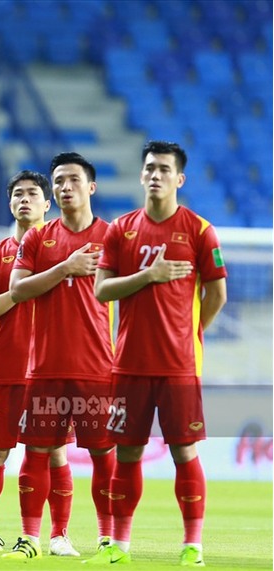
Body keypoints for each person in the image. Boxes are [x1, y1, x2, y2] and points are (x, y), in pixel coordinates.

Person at [87, 141, 227, 566]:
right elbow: (101, 290)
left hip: (179, 367)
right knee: (126, 453)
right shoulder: (120, 229)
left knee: (185, 451)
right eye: (149, 168)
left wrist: (191, 333)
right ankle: (120, 547)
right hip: (128, 364)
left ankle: (192, 547)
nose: (155, 175)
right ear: (141, 174)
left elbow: (217, 293)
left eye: (164, 169)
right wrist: (150, 275)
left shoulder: (200, 230)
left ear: (179, 179)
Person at [0, 170, 79, 556]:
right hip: (4, 369)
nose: (24, 200)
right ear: (10, 204)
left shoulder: (65, 251)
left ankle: (56, 535)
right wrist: (22, 290)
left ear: (48, 203)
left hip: (52, 370)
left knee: (53, 452)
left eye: (33, 194)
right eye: (18, 195)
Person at [4, 152, 116, 558]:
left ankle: (108, 538)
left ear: (91, 186)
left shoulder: (114, 237)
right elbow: (18, 290)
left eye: (72, 180)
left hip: (97, 367)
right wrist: (66, 267)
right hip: (45, 366)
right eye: (59, 181)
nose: (65, 187)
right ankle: (30, 538)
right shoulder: (37, 238)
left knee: (104, 453)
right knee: (36, 451)